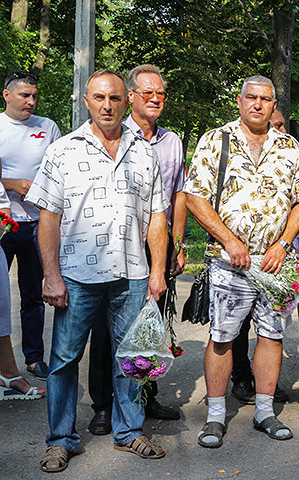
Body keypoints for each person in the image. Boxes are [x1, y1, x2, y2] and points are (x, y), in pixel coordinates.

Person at [27, 70, 169, 473]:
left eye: (115, 98)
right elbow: (49, 218)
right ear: (86, 101)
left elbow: (157, 216)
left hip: (132, 273)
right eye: (99, 98)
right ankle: (60, 440)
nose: (107, 105)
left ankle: (129, 431)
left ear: (126, 101)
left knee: (133, 358)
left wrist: (157, 271)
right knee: (64, 360)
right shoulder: (62, 151)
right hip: (76, 276)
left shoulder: (145, 153)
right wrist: (51, 275)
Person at [185, 75, 299, 449]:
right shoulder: (216, 140)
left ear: (274, 105)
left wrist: (283, 244)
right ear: (240, 101)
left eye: (265, 99)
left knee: (271, 336)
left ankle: (264, 412)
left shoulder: (289, 146)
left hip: (274, 263)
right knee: (222, 337)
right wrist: (229, 240)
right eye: (251, 97)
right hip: (229, 262)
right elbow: (195, 197)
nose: (258, 104)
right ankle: (215, 416)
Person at [86, 65, 185, 435]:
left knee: (149, 323)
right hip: (118, 240)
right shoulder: (114, 133)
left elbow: (178, 195)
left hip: (159, 239)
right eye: (148, 93)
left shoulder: (172, 142)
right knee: (106, 328)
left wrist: (177, 244)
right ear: (130, 97)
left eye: (161, 93)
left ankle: (145, 396)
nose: (156, 99)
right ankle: (103, 405)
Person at [0, 71, 61, 381]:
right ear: (6, 95)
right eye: (25, 95)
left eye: (35, 96)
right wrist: (12, 184)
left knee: (34, 295)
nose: (31, 101)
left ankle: (34, 359)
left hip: (39, 224)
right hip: (4, 223)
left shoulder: (48, 127)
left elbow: (60, 171)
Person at [230, 106, 292, 406]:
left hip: (275, 257)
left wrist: (287, 243)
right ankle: (241, 378)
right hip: (237, 258)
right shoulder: (231, 145)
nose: (278, 129)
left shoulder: (289, 152)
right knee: (237, 326)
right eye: (274, 125)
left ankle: (265, 383)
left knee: (271, 327)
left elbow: (297, 202)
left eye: (281, 124)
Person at [0, 176, 45, 401]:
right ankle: (9, 374)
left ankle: (18, 368)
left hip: (32, 221)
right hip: (10, 231)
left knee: (9, 304)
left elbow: (2, 205)